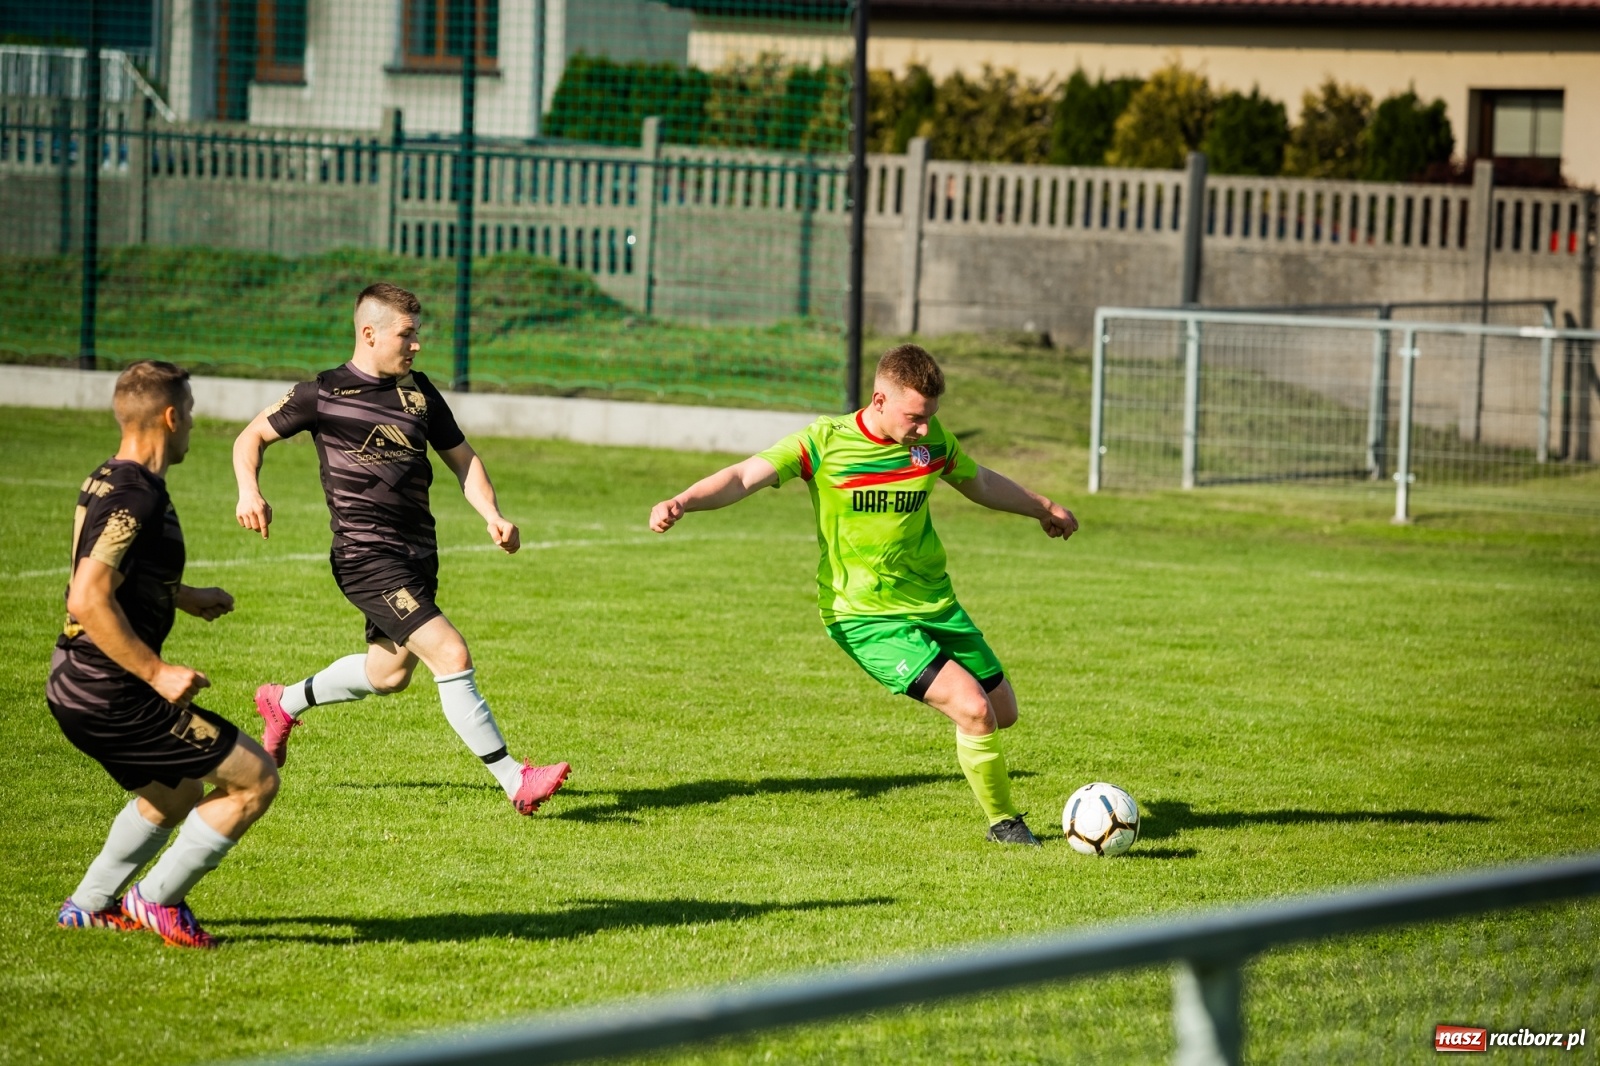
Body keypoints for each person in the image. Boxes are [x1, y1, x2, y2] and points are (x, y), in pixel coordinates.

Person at [649, 344, 1077, 845]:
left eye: (929, 418)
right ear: (879, 400)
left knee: (1003, 713)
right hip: (864, 616)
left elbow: (978, 481)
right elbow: (744, 475)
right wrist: (683, 501)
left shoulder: (930, 441)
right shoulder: (824, 442)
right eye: (914, 418)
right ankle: (1005, 825)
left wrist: (1042, 506)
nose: (923, 428)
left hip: (935, 602)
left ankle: (956, 704)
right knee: (975, 709)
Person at [232, 283, 569, 815]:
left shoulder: (420, 392)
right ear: (369, 334)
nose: (416, 346)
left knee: (388, 674)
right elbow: (249, 438)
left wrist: (492, 515)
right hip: (366, 556)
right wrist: (250, 491)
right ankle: (515, 780)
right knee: (451, 655)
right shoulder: (321, 393)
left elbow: (464, 460)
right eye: (407, 335)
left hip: (417, 554)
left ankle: (284, 701)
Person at [50, 361, 280, 949]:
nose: (194, 428)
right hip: (113, 690)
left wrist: (182, 595)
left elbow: (105, 571)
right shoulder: (138, 495)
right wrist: (156, 671)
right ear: (171, 416)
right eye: (192, 415)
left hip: (74, 680)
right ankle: (156, 902)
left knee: (174, 792)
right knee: (255, 780)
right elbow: (87, 593)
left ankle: (89, 905)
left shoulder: (108, 478)